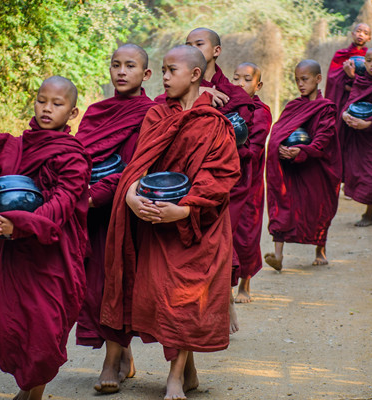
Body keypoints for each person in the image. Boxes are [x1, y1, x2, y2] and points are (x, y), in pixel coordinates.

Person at [100, 45, 240, 400]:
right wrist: (131, 195)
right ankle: (187, 370)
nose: (163, 78)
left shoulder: (215, 123)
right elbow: (139, 163)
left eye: (170, 71)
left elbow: (220, 176)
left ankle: (175, 377)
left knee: (187, 299)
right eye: (161, 70)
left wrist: (186, 210)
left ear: (195, 75)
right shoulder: (157, 115)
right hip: (158, 220)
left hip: (200, 223)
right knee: (165, 296)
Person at [0, 76, 91, 400]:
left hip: (55, 254)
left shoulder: (73, 155)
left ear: (73, 112)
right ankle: (29, 393)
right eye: (41, 100)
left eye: (57, 103)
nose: (46, 108)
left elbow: (61, 204)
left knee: (46, 331)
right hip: (17, 253)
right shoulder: (17, 145)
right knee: (14, 323)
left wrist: (18, 225)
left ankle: (31, 395)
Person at [74, 44, 155, 394]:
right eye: (116, 65)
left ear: (146, 74)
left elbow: (143, 163)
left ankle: (111, 360)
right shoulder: (96, 112)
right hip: (92, 212)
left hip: (128, 209)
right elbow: (77, 158)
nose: (122, 72)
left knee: (120, 283)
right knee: (94, 286)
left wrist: (101, 194)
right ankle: (122, 352)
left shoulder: (153, 113)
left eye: (131, 66)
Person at [182, 27, 256, 333]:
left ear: (216, 51)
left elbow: (244, 139)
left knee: (223, 240)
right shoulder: (181, 85)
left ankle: (224, 299)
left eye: (199, 44)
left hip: (225, 179)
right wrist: (197, 96)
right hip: (186, 177)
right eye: (187, 45)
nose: (193, 49)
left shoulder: (233, 94)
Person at [264, 60, 340, 269]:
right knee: (282, 203)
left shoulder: (326, 108)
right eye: (297, 80)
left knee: (320, 207)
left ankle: (320, 250)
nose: (300, 84)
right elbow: (278, 132)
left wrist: (304, 151)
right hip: (292, 167)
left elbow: (324, 138)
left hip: (316, 167)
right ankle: (278, 256)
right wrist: (278, 148)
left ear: (318, 79)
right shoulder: (293, 106)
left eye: (304, 79)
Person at [231, 62, 272, 303]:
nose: (239, 83)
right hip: (224, 179)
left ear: (258, 85)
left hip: (248, 179)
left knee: (246, 233)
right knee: (225, 232)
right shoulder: (225, 106)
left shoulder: (261, 111)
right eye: (236, 78)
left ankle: (245, 283)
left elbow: (254, 149)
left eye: (246, 79)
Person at [340, 48, 372, 227]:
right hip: (358, 136)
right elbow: (350, 101)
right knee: (356, 170)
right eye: (369, 60)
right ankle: (363, 207)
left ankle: (369, 214)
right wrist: (345, 114)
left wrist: (369, 124)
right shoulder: (360, 82)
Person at [324, 23, 371, 117]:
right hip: (342, 98)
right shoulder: (341, 54)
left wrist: (352, 77)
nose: (361, 34)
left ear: (369, 38)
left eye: (365, 33)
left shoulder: (370, 57)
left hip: (361, 99)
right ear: (352, 34)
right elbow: (332, 78)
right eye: (358, 31)